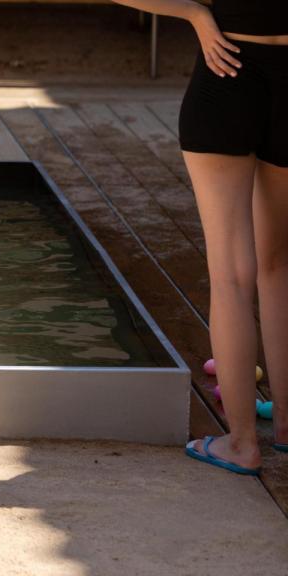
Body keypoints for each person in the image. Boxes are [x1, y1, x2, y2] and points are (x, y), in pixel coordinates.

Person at [111, 0, 288, 474]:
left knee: (230, 274)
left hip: (226, 73)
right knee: (280, 266)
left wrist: (195, 14)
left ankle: (242, 443)